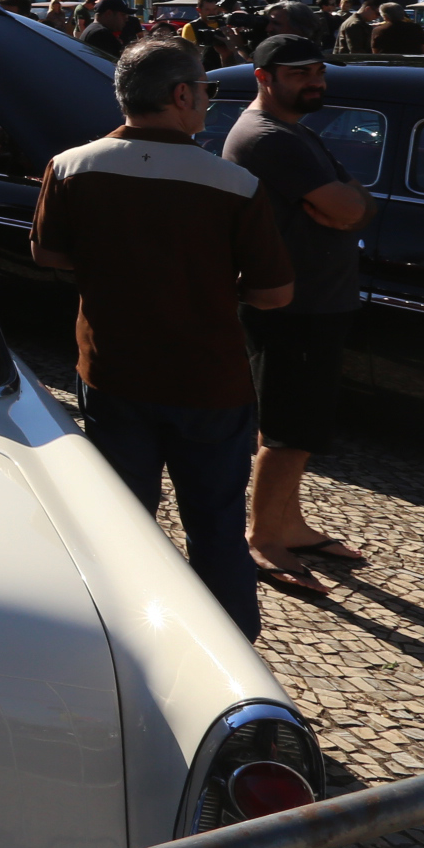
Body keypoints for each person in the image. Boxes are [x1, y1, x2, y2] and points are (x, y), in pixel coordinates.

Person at [29, 37, 294, 639]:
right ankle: (230, 655)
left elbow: (47, 252)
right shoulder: (234, 185)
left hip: (113, 371)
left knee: (121, 523)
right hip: (209, 382)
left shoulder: (70, 167)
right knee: (217, 528)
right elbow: (275, 293)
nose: (207, 101)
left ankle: (121, 639)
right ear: (181, 96)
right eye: (205, 89)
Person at [221, 33, 377, 594]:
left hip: (316, 301)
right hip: (295, 306)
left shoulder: (295, 131)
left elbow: (353, 205)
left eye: (318, 70)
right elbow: (347, 205)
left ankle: (291, 523)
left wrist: (346, 205)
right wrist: (344, 204)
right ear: (265, 78)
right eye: (299, 73)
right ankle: (263, 538)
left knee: (300, 423)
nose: (315, 80)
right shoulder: (268, 138)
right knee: (288, 426)